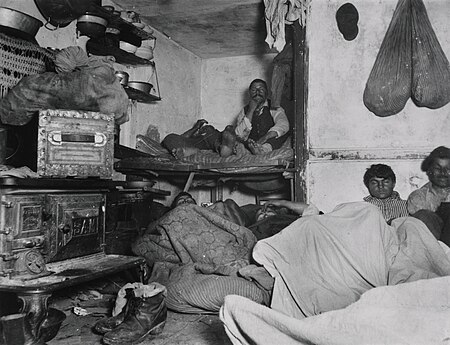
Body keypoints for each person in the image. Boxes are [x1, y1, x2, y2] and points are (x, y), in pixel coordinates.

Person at [234, 79, 290, 155]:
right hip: (253, 142)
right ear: (250, 93)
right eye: (254, 90)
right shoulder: (245, 110)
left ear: (266, 93)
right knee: (237, 138)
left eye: (261, 90)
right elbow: (239, 134)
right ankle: (251, 149)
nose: (257, 93)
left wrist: (266, 137)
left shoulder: (274, 107)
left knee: (281, 134)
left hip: (268, 141)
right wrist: (250, 110)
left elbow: (283, 124)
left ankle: (263, 149)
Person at [407, 146, 450, 243]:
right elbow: (426, 226)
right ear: (429, 171)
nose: (443, 173)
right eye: (437, 168)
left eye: (448, 169)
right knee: (423, 215)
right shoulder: (418, 197)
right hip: (433, 245)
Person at [161, 119, 237, 159]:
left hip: (216, 136)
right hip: (198, 145)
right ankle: (225, 147)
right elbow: (183, 137)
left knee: (215, 134)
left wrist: (207, 129)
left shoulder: (213, 131)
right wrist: (196, 127)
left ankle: (226, 146)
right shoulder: (194, 135)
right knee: (170, 137)